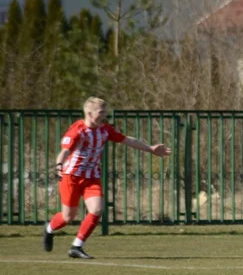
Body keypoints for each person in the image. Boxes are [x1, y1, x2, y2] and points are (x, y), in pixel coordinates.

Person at [43, 97, 171, 259]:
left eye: (105, 112)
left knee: (97, 209)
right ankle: (49, 229)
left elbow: (127, 140)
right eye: (101, 112)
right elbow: (65, 151)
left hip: (91, 177)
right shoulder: (78, 130)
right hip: (71, 177)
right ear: (89, 114)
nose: (105, 116)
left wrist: (150, 148)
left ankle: (76, 246)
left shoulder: (105, 130)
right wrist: (59, 165)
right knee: (67, 217)